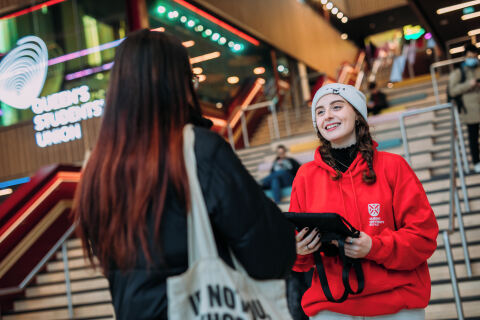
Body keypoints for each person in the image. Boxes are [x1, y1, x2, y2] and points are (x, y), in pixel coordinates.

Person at [72, 29, 296, 320]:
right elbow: (270, 254)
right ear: (176, 85)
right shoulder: (198, 150)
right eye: (192, 80)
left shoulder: (97, 169)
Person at [290, 83, 438, 319]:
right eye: (319, 111)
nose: (327, 115)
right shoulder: (306, 176)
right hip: (331, 306)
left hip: (395, 303)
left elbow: (423, 237)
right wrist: (298, 249)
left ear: (358, 115)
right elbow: (299, 260)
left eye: (336, 107)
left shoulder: (393, 166)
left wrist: (374, 247)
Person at [448, 43, 480, 172]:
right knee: (473, 138)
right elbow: (452, 91)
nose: (472, 58)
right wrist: (469, 84)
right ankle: (476, 162)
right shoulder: (458, 72)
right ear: (465, 56)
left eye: (474, 56)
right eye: (470, 56)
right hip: (469, 110)